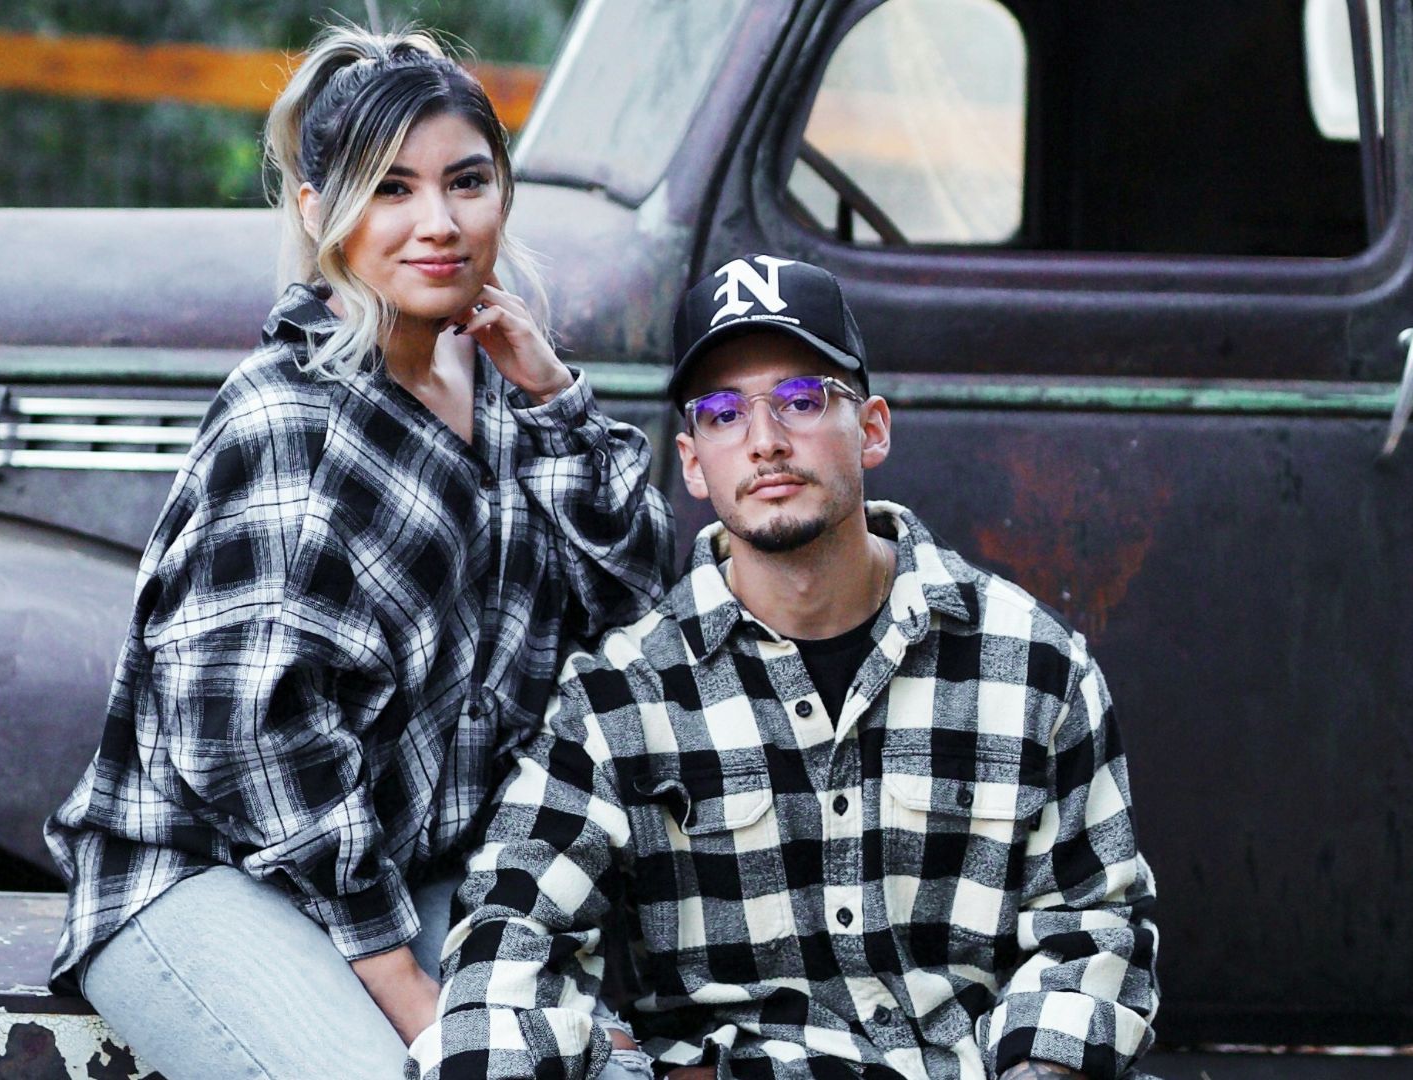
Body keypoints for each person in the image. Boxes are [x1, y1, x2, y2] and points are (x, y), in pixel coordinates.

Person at [42, 25, 674, 1079]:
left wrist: (557, 397)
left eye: (467, 181)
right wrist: (416, 999)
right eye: (391, 190)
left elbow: (636, 601)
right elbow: (253, 747)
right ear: (316, 211)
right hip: (212, 874)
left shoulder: (503, 389)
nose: (439, 223)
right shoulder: (289, 422)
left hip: (417, 872)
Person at [410, 255, 1159, 1080]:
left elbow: (1092, 931)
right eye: (724, 414)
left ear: (871, 429)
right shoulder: (623, 696)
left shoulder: (1032, 665)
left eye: (801, 400)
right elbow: (510, 939)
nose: (765, 441)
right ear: (694, 462)